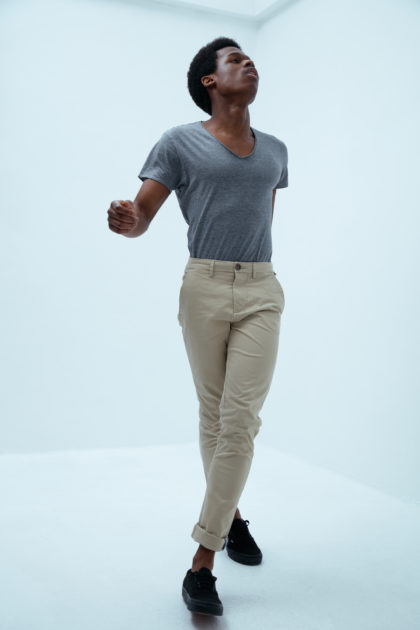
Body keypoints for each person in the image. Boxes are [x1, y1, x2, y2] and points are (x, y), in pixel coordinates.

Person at [107, 36, 288, 617]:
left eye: (249, 58)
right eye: (234, 59)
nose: (248, 62)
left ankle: (202, 560)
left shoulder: (276, 150)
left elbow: (262, 222)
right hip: (203, 286)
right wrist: (128, 220)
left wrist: (253, 270)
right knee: (214, 418)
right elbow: (143, 216)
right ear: (210, 81)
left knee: (240, 420)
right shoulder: (178, 142)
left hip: (260, 288)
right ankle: (232, 517)